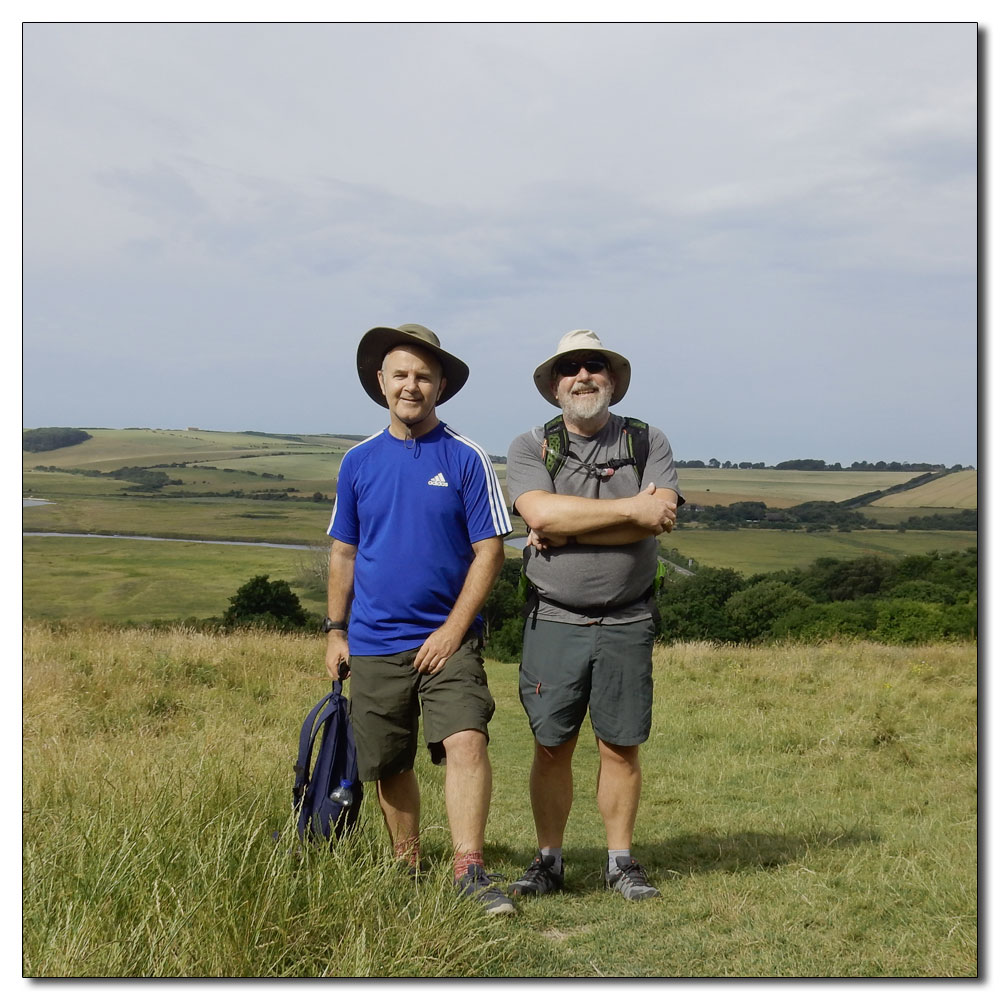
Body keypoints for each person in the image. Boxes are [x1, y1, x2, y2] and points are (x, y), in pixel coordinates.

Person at [325, 323, 515, 916]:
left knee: (466, 739)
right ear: (380, 383)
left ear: (441, 387)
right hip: (374, 640)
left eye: (424, 376)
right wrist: (335, 630)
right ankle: (405, 867)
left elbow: (490, 551)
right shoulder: (357, 462)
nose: (412, 386)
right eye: (401, 374)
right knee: (387, 760)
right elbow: (344, 551)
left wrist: (454, 630)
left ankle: (469, 870)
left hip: (448, 639)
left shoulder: (466, 458)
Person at [504, 329, 683, 901]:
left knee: (621, 744)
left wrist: (564, 521)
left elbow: (661, 517)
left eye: (594, 366)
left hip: (628, 617)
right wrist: (632, 509)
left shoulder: (647, 440)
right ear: (555, 386)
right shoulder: (530, 446)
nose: (583, 376)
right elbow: (539, 512)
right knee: (551, 743)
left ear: (612, 379)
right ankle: (549, 861)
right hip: (554, 615)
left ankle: (620, 862)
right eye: (570, 368)